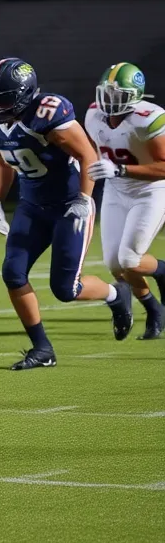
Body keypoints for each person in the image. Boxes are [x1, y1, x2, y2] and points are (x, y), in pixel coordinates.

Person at [0, 57, 132, 369]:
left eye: (3, 99)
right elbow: (1, 160)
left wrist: (84, 199)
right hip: (32, 207)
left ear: (23, 94)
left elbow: (88, 154)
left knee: (65, 290)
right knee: (12, 273)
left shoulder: (48, 114)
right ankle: (42, 349)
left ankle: (116, 295)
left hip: (68, 207)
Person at [83, 62, 165, 339]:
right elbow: (94, 154)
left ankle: (163, 271)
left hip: (150, 190)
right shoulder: (93, 115)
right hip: (117, 190)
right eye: (107, 93)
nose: (109, 100)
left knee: (129, 260)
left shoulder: (149, 119)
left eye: (118, 95)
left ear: (135, 96)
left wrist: (120, 169)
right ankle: (153, 308)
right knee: (114, 264)